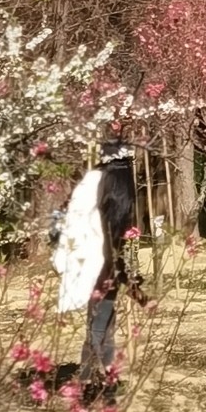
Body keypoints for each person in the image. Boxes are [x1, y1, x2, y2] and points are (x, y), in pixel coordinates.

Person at [52, 148, 141, 394]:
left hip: (92, 262)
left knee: (104, 324)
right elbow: (110, 238)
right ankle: (89, 379)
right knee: (99, 326)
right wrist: (126, 276)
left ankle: (103, 375)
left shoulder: (93, 183)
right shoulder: (108, 188)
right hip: (98, 264)